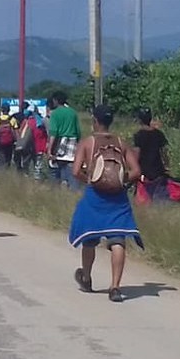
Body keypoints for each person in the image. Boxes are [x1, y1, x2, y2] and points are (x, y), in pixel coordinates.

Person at [69, 105, 143, 303]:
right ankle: (115, 287)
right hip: (117, 198)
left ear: (95, 121)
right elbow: (136, 171)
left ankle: (86, 277)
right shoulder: (121, 143)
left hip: (95, 197)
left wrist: (91, 180)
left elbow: (75, 171)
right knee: (118, 240)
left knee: (89, 239)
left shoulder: (88, 143)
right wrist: (120, 180)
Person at [133, 107, 172, 202]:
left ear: (139, 120)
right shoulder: (159, 134)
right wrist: (167, 167)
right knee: (161, 202)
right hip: (158, 172)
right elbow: (164, 153)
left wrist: (134, 171)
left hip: (144, 174)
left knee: (144, 201)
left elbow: (136, 154)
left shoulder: (139, 135)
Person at [46, 92, 82, 190]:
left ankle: (56, 190)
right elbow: (78, 132)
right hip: (72, 143)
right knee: (71, 171)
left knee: (55, 171)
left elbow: (53, 133)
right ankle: (74, 191)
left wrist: (49, 150)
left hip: (59, 143)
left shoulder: (55, 113)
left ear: (55, 100)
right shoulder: (73, 112)